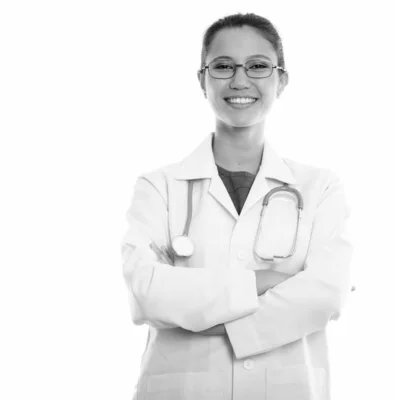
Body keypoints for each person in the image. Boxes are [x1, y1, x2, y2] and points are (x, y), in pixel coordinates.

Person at [120, 12, 353, 400]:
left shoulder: (320, 187)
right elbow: (146, 291)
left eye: (258, 66)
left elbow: (327, 293)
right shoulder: (159, 187)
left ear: (282, 79)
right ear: (203, 79)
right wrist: (262, 283)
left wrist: (199, 315)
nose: (240, 80)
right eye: (223, 66)